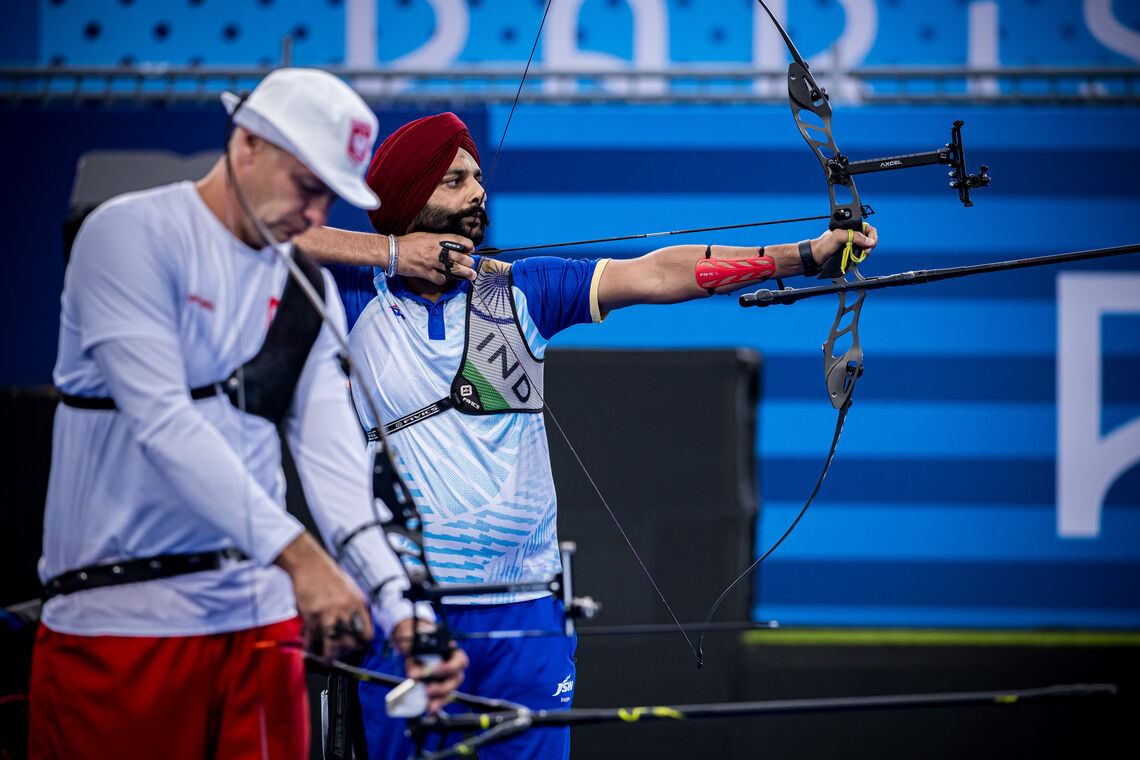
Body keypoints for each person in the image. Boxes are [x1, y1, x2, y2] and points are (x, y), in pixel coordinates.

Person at [298, 111, 879, 760]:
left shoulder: (516, 291)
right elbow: (253, 233)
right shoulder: (350, 293)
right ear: (409, 198)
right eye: (455, 181)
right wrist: (391, 253)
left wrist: (804, 256)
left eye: (478, 178)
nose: (478, 193)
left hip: (526, 609)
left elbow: (658, 273)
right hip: (408, 612)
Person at [28, 70, 466, 760]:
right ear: (248, 143)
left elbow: (334, 465)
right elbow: (165, 425)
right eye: (306, 185)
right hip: (121, 626)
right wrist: (302, 559)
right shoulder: (128, 235)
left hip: (260, 629)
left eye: (329, 196)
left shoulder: (305, 285)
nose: (315, 214)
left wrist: (400, 607)